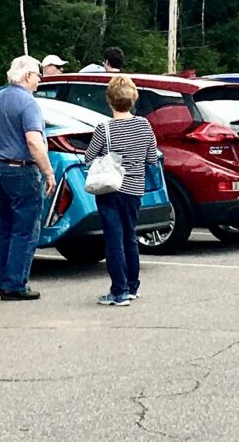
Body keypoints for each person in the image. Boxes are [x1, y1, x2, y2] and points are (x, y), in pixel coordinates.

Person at [0, 55, 57, 301]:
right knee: (25, 229)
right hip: (22, 169)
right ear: (26, 76)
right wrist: (48, 172)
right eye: (37, 75)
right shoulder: (28, 103)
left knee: (4, 227)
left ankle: (3, 281)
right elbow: (34, 141)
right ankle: (16, 284)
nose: (39, 80)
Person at [83, 74, 155, 306]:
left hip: (111, 189)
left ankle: (119, 291)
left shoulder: (104, 129)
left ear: (110, 100)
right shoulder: (144, 125)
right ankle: (133, 286)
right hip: (135, 189)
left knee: (114, 239)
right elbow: (151, 158)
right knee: (130, 237)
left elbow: (88, 157)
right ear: (133, 99)